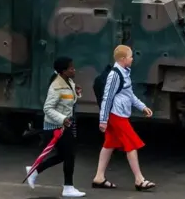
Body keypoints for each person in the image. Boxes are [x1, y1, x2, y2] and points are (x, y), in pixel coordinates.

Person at [92, 44, 156, 191]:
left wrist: (142, 107)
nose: (132, 59)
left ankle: (99, 177)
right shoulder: (115, 75)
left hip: (119, 113)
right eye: (130, 56)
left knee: (109, 144)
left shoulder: (124, 72)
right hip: (116, 115)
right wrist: (103, 120)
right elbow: (107, 97)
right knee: (131, 144)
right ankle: (139, 180)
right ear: (123, 59)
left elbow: (129, 94)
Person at [24, 56, 86, 197]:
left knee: (65, 155)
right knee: (68, 155)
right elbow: (48, 108)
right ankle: (68, 187)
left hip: (64, 125)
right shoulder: (56, 87)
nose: (74, 70)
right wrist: (63, 119)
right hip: (56, 127)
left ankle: (35, 171)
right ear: (63, 71)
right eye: (71, 68)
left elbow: (67, 101)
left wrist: (76, 93)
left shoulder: (68, 81)